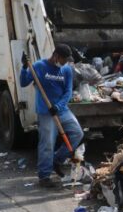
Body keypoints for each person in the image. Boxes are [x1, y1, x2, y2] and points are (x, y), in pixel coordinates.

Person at [20, 44, 84, 188]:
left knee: (77, 133)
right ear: (56, 56)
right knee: (47, 143)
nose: (65, 62)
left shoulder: (66, 69)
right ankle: (44, 176)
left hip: (61, 110)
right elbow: (23, 82)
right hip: (45, 112)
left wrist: (58, 106)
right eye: (63, 59)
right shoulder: (39, 66)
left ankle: (57, 160)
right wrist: (24, 67)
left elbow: (68, 92)